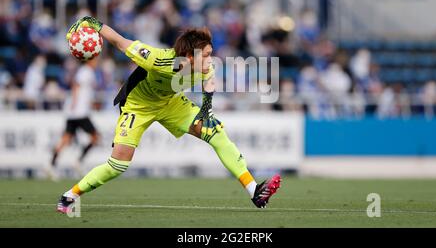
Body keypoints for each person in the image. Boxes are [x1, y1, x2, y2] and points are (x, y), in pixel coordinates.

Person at [57, 16, 281, 212]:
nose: (211, 60)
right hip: (138, 106)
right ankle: (70, 196)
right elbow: (120, 42)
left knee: (215, 132)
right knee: (118, 165)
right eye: (207, 55)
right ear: (189, 56)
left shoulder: (207, 67)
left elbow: (209, 82)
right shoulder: (158, 59)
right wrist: (92, 23)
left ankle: (254, 191)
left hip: (171, 103)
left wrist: (206, 109)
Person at [49, 58, 100, 178]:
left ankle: (51, 164)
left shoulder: (85, 71)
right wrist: (75, 102)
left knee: (66, 139)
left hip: (73, 111)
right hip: (79, 112)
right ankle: (79, 161)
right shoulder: (86, 71)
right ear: (89, 61)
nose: (96, 63)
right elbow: (75, 85)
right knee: (95, 137)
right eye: (95, 60)